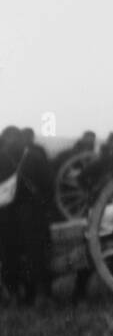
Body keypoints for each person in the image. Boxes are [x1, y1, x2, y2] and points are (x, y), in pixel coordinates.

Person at [0, 126, 54, 304]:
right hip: (32, 212)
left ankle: (14, 294)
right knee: (36, 254)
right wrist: (43, 208)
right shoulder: (34, 157)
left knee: (9, 254)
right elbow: (48, 185)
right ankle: (41, 294)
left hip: (6, 213)